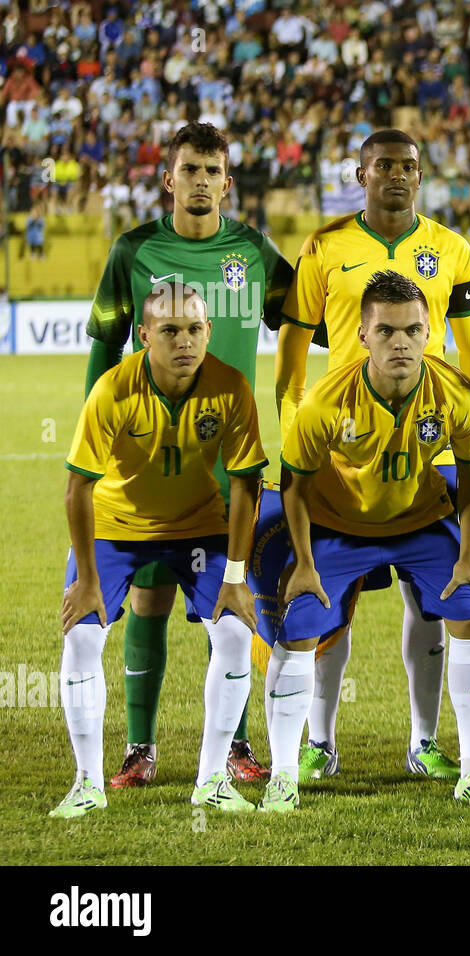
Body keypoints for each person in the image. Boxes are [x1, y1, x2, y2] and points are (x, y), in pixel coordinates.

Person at [276, 128, 470, 782]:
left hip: (427, 438)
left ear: (420, 176)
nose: (398, 176)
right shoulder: (325, 246)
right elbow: (291, 346)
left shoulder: (451, 248)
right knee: (328, 609)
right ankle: (320, 740)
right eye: (384, 166)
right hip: (340, 446)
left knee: (430, 601)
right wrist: (294, 428)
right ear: (360, 172)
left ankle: (424, 741)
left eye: (409, 167)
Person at [84, 122, 292, 789]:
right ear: (167, 178)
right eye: (189, 169)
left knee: (226, 605)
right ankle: (139, 748)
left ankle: (233, 745)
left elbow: (307, 315)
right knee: (148, 600)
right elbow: (104, 345)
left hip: (228, 467)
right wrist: (101, 427)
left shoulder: (253, 251)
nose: (200, 181)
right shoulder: (133, 250)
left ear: (227, 183)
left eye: (212, 170)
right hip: (151, 460)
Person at [53, 282, 268, 818]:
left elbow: (246, 485)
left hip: (197, 529)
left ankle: (212, 780)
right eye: (169, 331)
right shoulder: (112, 389)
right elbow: (78, 487)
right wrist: (85, 579)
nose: (184, 342)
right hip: (114, 529)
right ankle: (86, 783)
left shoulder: (232, 388)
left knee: (236, 633)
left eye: (195, 329)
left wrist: (236, 576)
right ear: (144, 335)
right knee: (81, 638)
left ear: (209, 332)